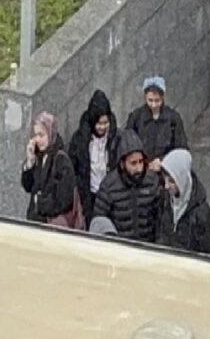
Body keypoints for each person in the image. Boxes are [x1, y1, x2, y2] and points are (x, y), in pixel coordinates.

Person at [67, 91, 125, 224]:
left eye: (106, 123)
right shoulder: (80, 139)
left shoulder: (117, 139)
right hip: (87, 196)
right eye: (99, 123)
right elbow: (73, 167)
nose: (102, 127)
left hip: (110, 197)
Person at [94, 141, 168, 244]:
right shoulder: (109, 185)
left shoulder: (152, 182)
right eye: (133, 163)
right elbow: (100, 221)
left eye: (141, 162)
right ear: (122, 164)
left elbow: (161, 219)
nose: (139, 168)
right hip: (120, 249)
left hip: (148, 248)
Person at [20, 111, 77, 227]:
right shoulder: (39, 155)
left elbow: (64, 199)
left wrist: (40, 203)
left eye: (41, 135)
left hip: (51, 224)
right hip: (35, 221)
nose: (38, 140)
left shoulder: (61, 160)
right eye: (35, 135)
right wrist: (30, 161)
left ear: (50, 134)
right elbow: (28, 186)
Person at [158, 149, 210, 256]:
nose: (166, 186)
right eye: (164, 179)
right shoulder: (165, 199)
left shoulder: (201, 213)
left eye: (171, 181)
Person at [130, 76, 187, 160]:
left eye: (157, 100)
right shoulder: (136, 117)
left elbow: (181, 147)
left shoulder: (173, 118)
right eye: (150, 100)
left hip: (166, 165)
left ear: (163, 98)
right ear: (145, 97)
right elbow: (129, 144)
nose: (154, 105)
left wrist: (162, 160)